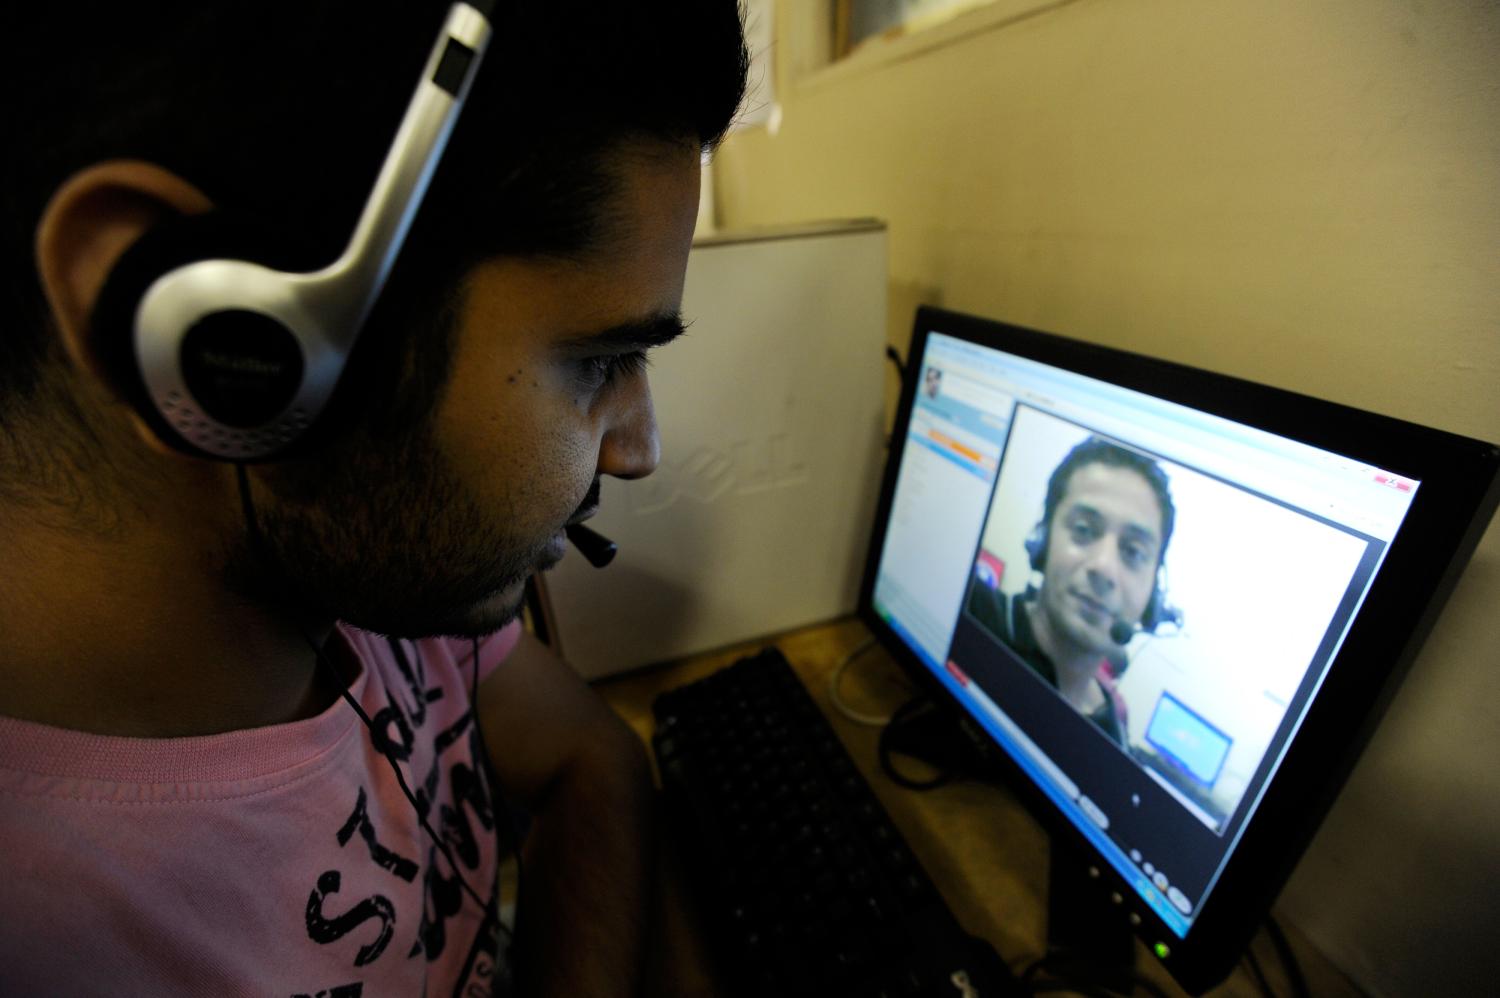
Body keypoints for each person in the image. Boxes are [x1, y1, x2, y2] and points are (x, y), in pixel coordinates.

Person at [0, 2, 747, 995]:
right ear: (224, 340)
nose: (640, 449)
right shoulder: (48, 938)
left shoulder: (371, 555)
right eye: (599, 358)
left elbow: (593, 761)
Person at [967, 437, 1177, 746]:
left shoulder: (1112, 732)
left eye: (1133, 551)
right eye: (1083, 530)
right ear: (1043, 540)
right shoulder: (971, 612)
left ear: (1152, 597)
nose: (1104, 568)